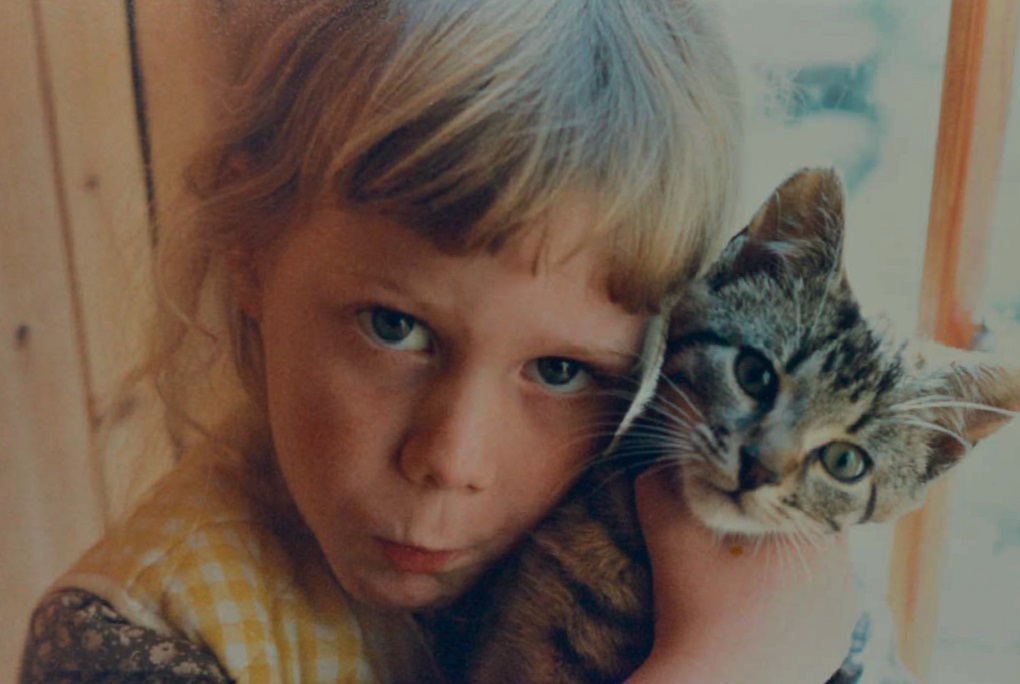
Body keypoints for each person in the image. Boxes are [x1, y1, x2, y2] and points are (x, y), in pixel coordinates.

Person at [20, 1, 866, 681]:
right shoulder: (130, 642)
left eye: (562, 370)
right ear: (253, 249)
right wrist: (729, 666)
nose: (453, 458)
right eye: (396, 328)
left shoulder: (685, 540)